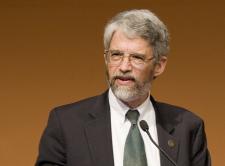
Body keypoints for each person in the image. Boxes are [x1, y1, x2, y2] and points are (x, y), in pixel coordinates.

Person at [35, 9, 211, 166]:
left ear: (159, 65)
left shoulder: (187, 128)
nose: (124, 67)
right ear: (106, 58)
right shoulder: (66, 124)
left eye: (136, 57)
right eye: (116, 55)